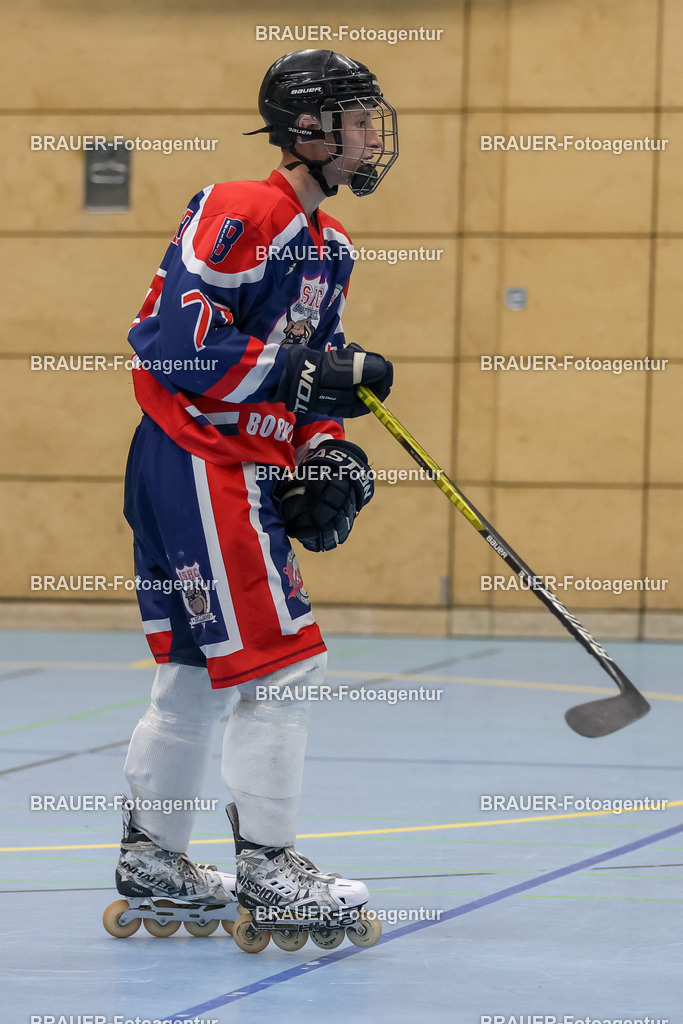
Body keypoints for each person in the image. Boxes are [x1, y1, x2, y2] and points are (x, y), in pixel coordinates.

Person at [103, 49, 398, 952]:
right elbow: (172, 343)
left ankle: (154, 860)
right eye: (355, 118)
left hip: (231, 464)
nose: (371, 134)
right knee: (282, 667)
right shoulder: (244, 208)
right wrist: (307, 376)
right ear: (306, 129)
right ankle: (270, 870)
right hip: (200, 460)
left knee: (193, 674)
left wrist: (328, 454)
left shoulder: (329, 249)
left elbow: (312, 382)